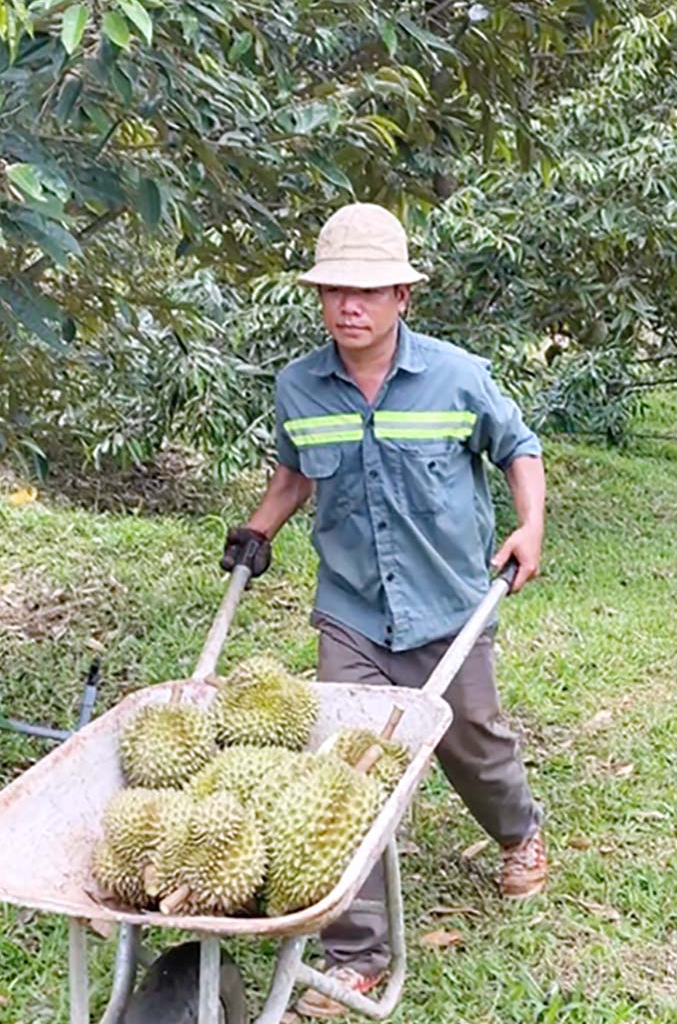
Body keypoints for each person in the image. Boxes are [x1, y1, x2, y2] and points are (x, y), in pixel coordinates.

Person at [221, 202, 549, 1018]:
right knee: (346, 766)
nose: (349, 307)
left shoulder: (457, 376)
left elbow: (519, 447)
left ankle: (519, 832)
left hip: (449, 607)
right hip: (353, 610)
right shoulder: (299, 385)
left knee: (472, 737)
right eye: (335, 291)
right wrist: (260, 529)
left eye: (368, 290)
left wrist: (530, 525)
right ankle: (354, 953)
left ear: (403, 295)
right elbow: (296, 474)